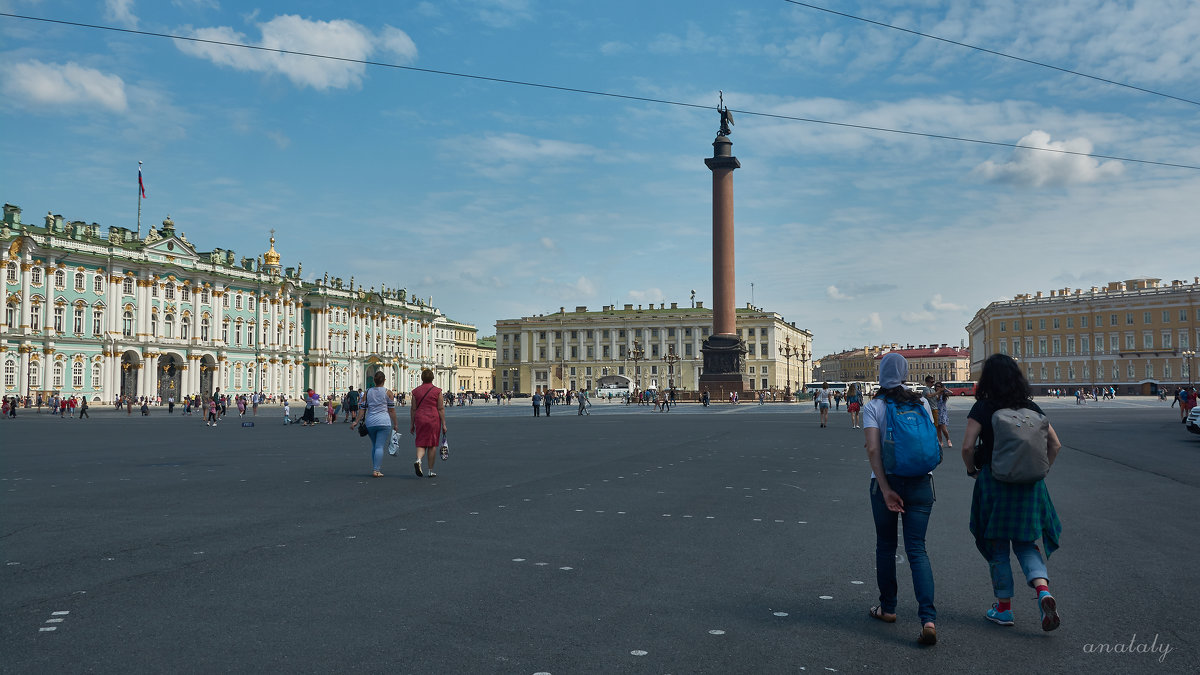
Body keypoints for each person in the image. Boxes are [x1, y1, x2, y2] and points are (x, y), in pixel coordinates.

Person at [961, 353, 1062, 633]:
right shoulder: (1031, 406)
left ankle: (1003, 609)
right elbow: (1055, 444)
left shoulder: (983, 408)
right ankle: (1042, 591)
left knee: (997, 547)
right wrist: (1042, 471)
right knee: (1027, 543)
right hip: (1030, 486)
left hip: (995, 483)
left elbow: (968, 447)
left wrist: (973, 471)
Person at [863, 352, 938, 646]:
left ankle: (888, 608)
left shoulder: (874, 406)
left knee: (886, 546)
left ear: (881, 375)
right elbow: (929, 439)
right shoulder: (920, 402)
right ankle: (928, 619)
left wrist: (884, 488)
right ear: (906, 374)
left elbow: (872, 450)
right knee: (917, 550)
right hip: (921, 482)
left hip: (887, 482)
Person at [358, 371, 398, 478]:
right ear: (384, 380)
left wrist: (356, 421)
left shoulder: (367, 392)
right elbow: (391, 410)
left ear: (374, 381)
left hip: (370, 422)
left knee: (375, 446)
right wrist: (396, 424)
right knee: (380, 446)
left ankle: (375, 467)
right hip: (384, 422)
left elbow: (362, 409)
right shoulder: (388, 393)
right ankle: (376, 470)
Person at [410, 368, 446, 478]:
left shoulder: (415, 391)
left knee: (421, 442)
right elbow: (440, 408)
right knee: (432, 445)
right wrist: (444, 424)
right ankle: (430, 470)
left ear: (421, 378)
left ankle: (419, 460)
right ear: (432, 378)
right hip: (433, 419)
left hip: (420, 418)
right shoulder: (437, 391)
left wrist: (412, 424)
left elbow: (413, 409)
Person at [934, 382, 952, 447]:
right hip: (936, 413)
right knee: (938, 429)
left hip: (943, 413)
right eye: (936, 386)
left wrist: (945, 389)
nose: (937, 387)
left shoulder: (944, 394)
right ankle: (941, 442)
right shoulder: (935, 394)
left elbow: (951, 393)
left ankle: (948, 440)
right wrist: (938, 392)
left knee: (944, 429)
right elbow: (937, 398)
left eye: (939, 386)